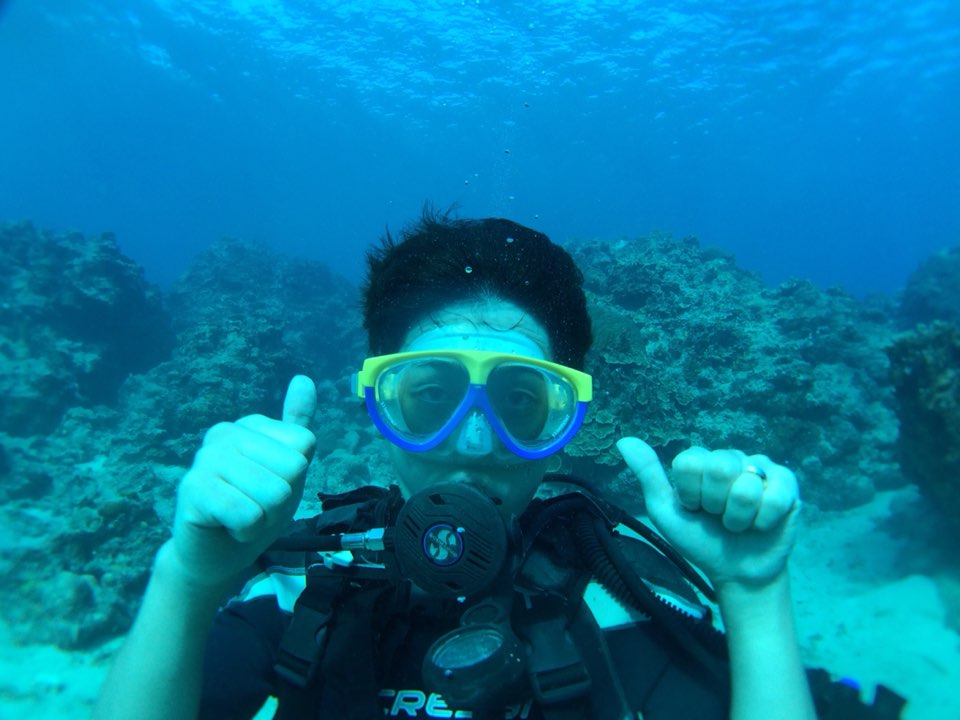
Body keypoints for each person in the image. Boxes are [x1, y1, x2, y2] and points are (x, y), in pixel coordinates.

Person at [94, 212, 817, 720]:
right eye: (433, 397)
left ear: (566, 426)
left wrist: (754, 595)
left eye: (521, 402)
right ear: (382, 407)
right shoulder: (300, 588)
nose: (473, 443)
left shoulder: (622, 594)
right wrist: (187, 581)